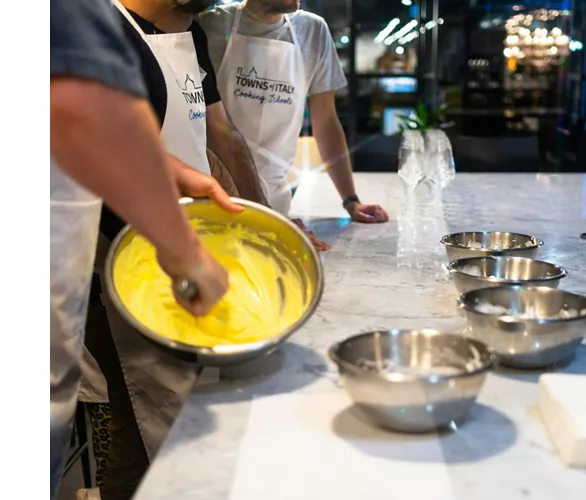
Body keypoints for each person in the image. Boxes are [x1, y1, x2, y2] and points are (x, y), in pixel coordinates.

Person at [50, 0, 234, 497]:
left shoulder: (190, 36)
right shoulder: (86, 15)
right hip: (98, 256)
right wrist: (186, 255)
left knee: (136, 423)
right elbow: (88, 120)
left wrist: (174, 173)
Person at [198, 0, 390, 230]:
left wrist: (351, 201)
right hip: (215, 198)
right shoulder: (210, 26)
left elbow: (326, 121)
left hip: (277, 203)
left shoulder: (312, 31)